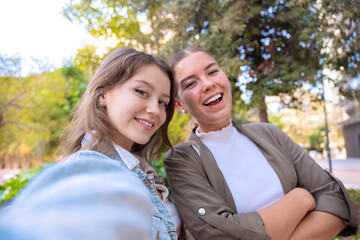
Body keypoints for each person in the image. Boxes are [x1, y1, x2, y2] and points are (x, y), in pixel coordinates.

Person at [163, 46, 359, 240]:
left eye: (212, 72)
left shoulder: (269, 133)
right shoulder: (181, 159)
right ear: (180, 104)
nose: (207, 84)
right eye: (191, 83)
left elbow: (336, 202)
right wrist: (301, 198)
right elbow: (219, 235)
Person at [0, 47, 181, 240]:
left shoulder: (142, 171)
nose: (155, 109)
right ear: (103, 94)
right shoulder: (93, 165)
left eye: (163, 102)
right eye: (141, 92)